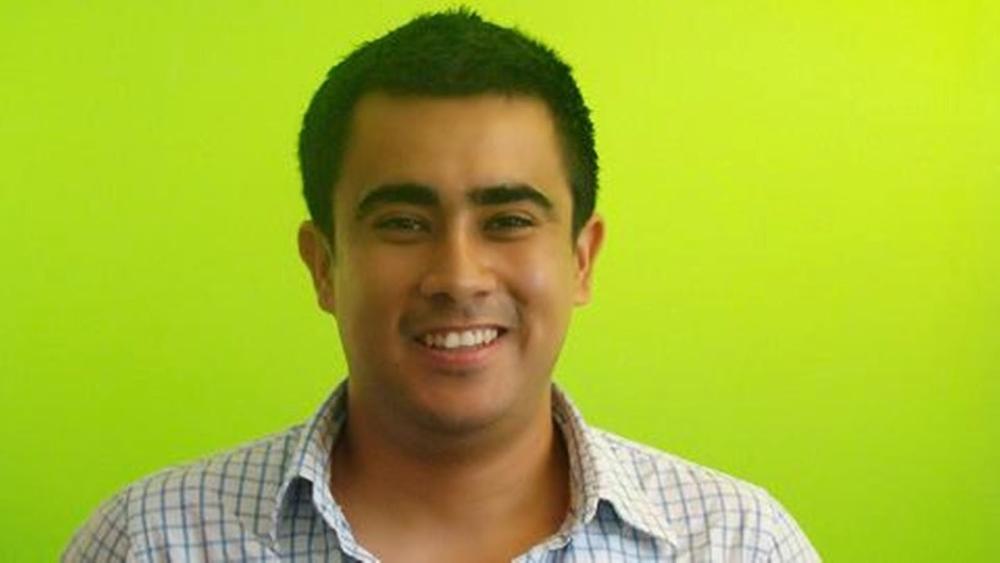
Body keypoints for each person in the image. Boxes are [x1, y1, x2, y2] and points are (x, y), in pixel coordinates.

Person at [64, 9, 820, 562]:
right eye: (402, 222)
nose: (458, 276)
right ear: (323, 265)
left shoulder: (736, 544)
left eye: (509, 220)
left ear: (582, 259)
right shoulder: (152, 541)